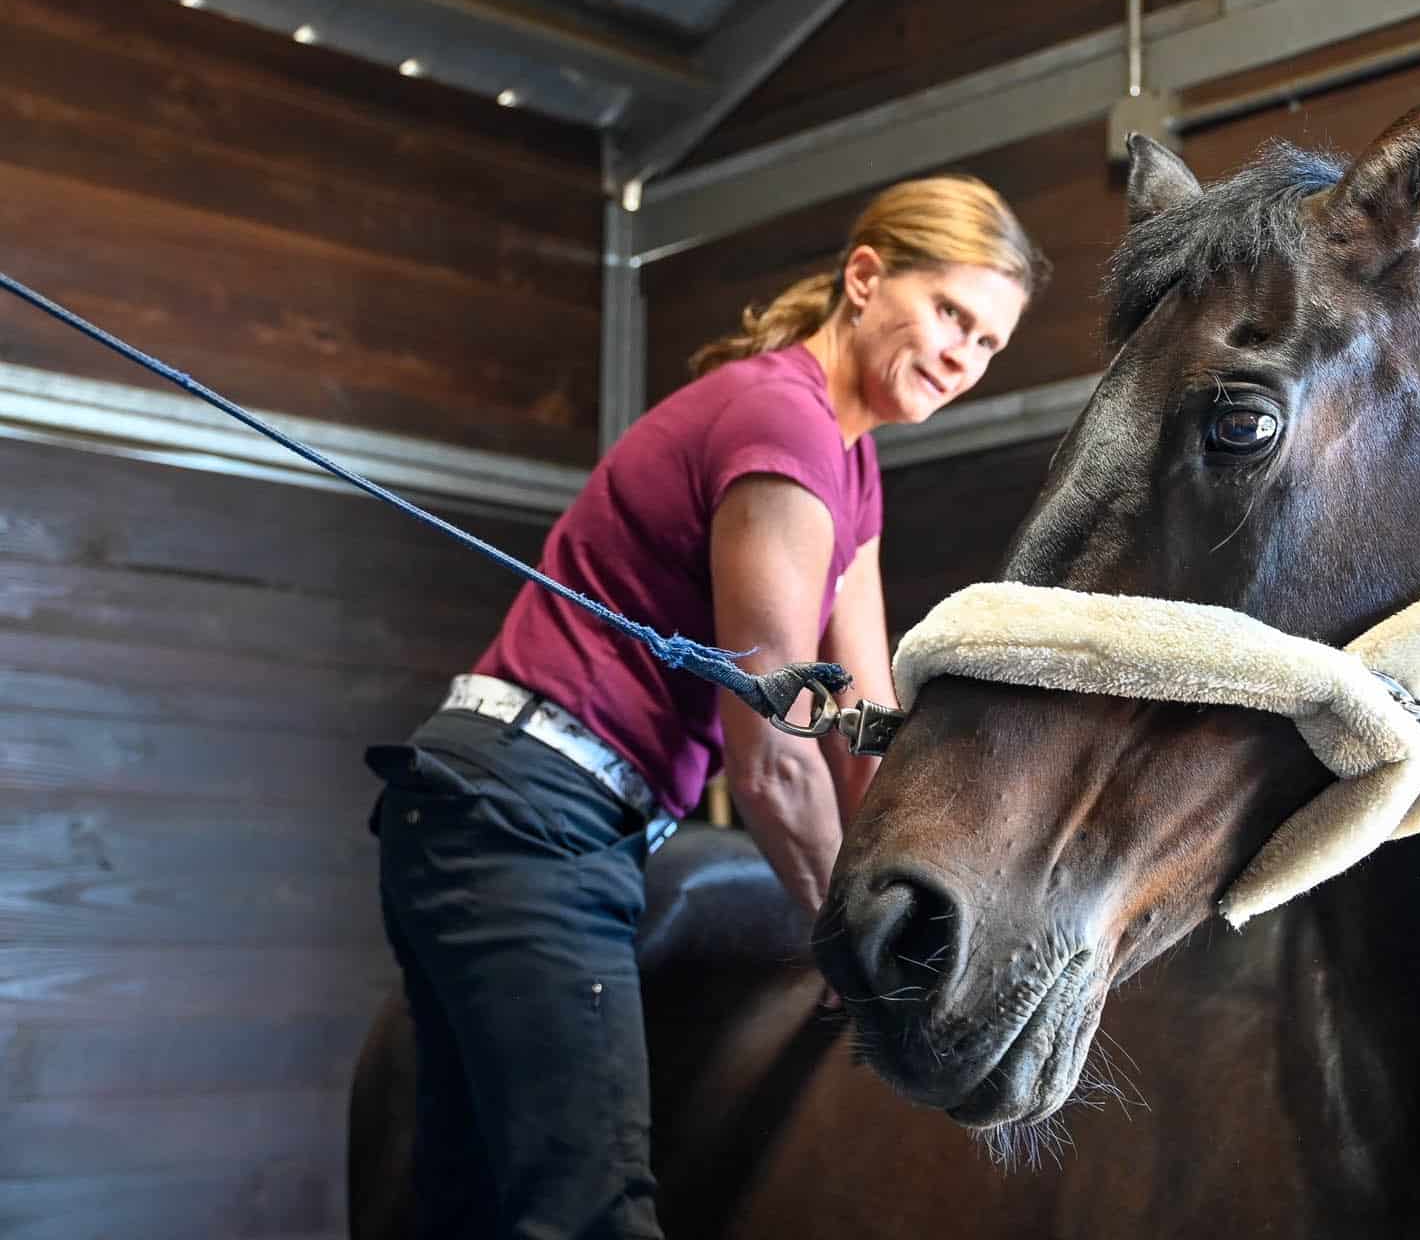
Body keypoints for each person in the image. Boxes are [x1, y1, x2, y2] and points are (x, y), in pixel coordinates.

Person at [363, 175, 1047, 1239]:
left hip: (528, 811)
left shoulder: (852, 464)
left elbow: (860, 721)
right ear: (865, 278)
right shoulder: (783, 426)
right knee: (595, 1216)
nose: (967, 354)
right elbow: (772, 757)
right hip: (526, 814)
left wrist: (914, 908)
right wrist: (853, 954)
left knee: (467, 1211)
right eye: (953, 314)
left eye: (992, 343)